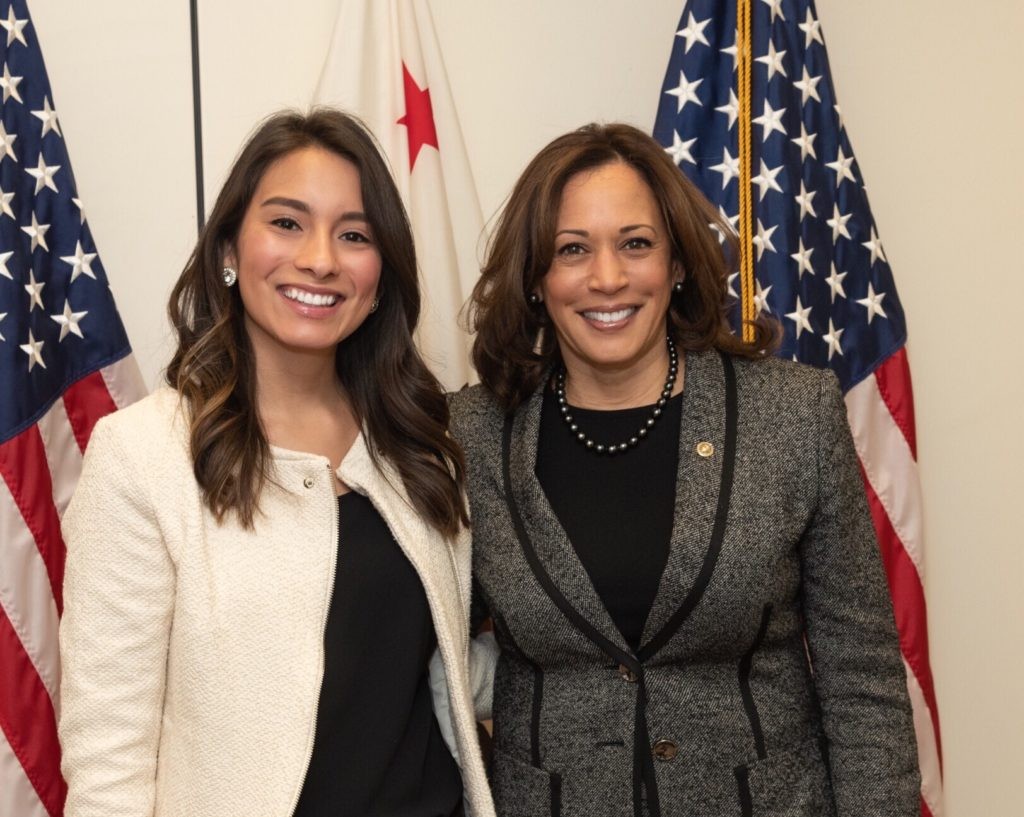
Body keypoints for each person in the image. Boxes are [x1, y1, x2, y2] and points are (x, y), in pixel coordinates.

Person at [451, 123, 919, 817]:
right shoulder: (469, 435)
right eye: (572, 249)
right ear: (535, 279)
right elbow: (421, 656)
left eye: (635, 244)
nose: (607, 277)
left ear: (674, 263)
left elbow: (863, 680)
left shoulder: (792, 414)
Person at [59, 109, 495, 817]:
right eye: (287, 223)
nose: (320, 258)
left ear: (380, 275)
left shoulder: (419, 442)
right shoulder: (141, 456)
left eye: (354, 234)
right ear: (230, 246)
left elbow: (438, 663)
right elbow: (108, 759)